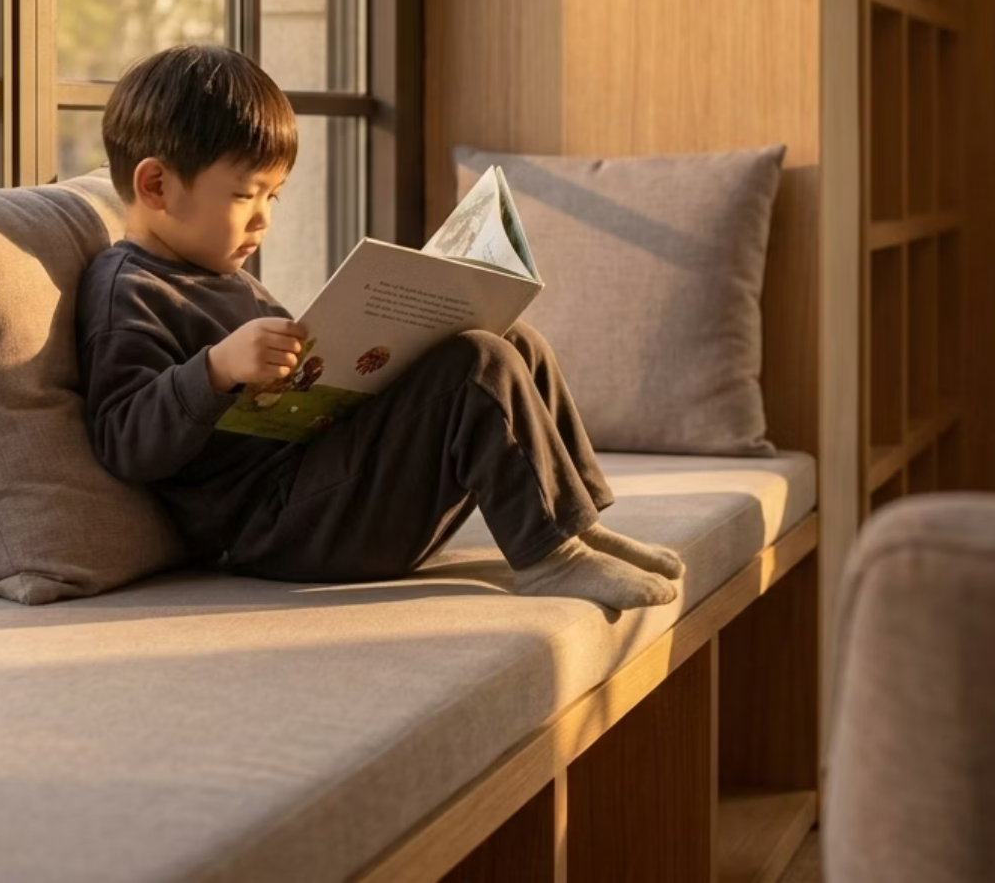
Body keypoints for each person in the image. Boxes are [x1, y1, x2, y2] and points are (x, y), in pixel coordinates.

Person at [76, 44, 684, 610]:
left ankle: (578, 524)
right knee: (477, 365)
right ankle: (550, 558)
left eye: (274, 198)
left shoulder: (221, 275)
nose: (262, 219)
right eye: (245, 195)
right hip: (278, 530)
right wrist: (214, 370)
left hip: (325, 491)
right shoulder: (128, 291)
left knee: (512, 342)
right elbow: (121, 439)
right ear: (155, 185)